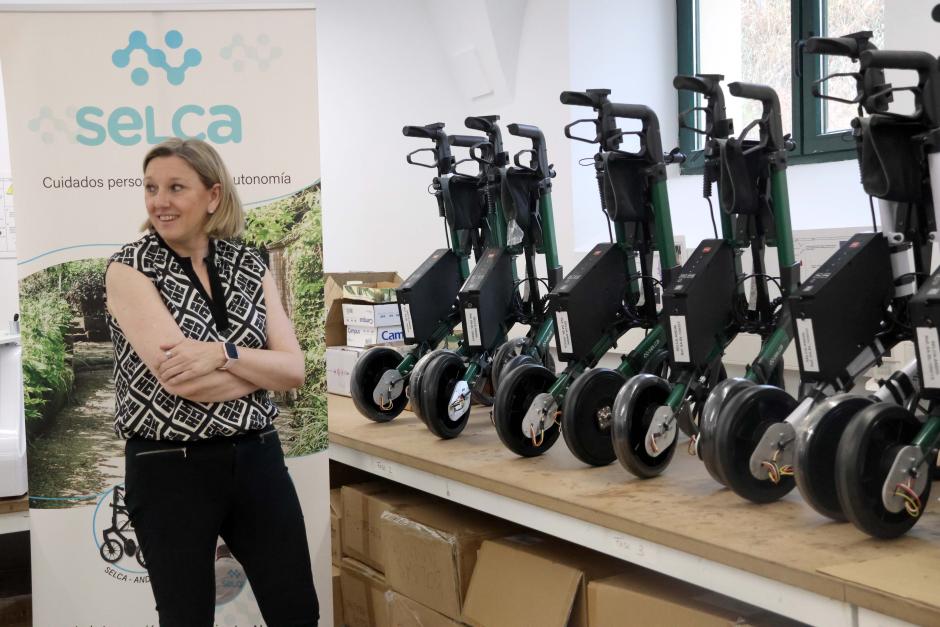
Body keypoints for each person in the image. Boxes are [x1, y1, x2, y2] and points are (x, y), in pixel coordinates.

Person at [105, 137, 319, 626]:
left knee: (296, 611)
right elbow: (184, 384)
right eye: (151, 187)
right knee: (186, 619)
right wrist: (259, 370)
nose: (159, 201)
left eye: (176, 187)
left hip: (257, 459)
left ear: (213, 196)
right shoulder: (129, 268)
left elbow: (295, 370)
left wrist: (220, 354)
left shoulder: (249, 262)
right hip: (169, 470)